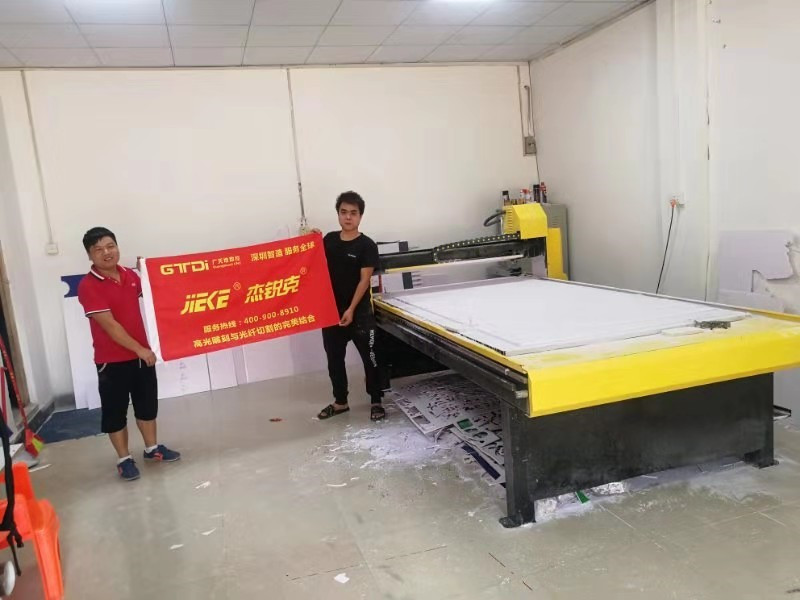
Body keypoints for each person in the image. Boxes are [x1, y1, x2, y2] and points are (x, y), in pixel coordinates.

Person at [78, 227, 180, 481]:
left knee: (147, 406)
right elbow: (110, 326)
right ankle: (124, 459)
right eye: (98, 250)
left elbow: (156, 295)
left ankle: (152, 449)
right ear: (90, 255)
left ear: (117, 247)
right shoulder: (88, 286)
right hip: (112, 361)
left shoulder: (129, 275)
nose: (106, 253)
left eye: (110, 246)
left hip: (141, 357)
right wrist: (140, 349)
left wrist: (148, 272)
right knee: (115, 413)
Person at [314, 192, 386, 422]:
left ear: (360, 216)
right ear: (338, 214)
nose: (348, 217)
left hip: (359, 313)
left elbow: (364, 281)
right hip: (331, 313)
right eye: (343, 212)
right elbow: (310, 260)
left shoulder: (367, 245)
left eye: (353, 213)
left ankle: (376, 401)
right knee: (334, 360)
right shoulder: (329, 241)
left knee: (371, 358)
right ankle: (340, 402)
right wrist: (310, 240)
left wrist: (351, 309)